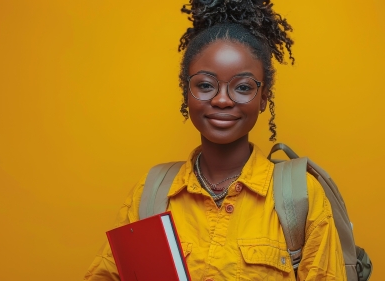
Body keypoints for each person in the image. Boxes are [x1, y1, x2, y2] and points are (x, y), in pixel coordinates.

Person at [84, 0, 347, 280]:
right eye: (206, 85)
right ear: (187, 92)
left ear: (263, 99)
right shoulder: (151, 194)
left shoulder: (299, 196)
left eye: (243, 87)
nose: (222, 100)